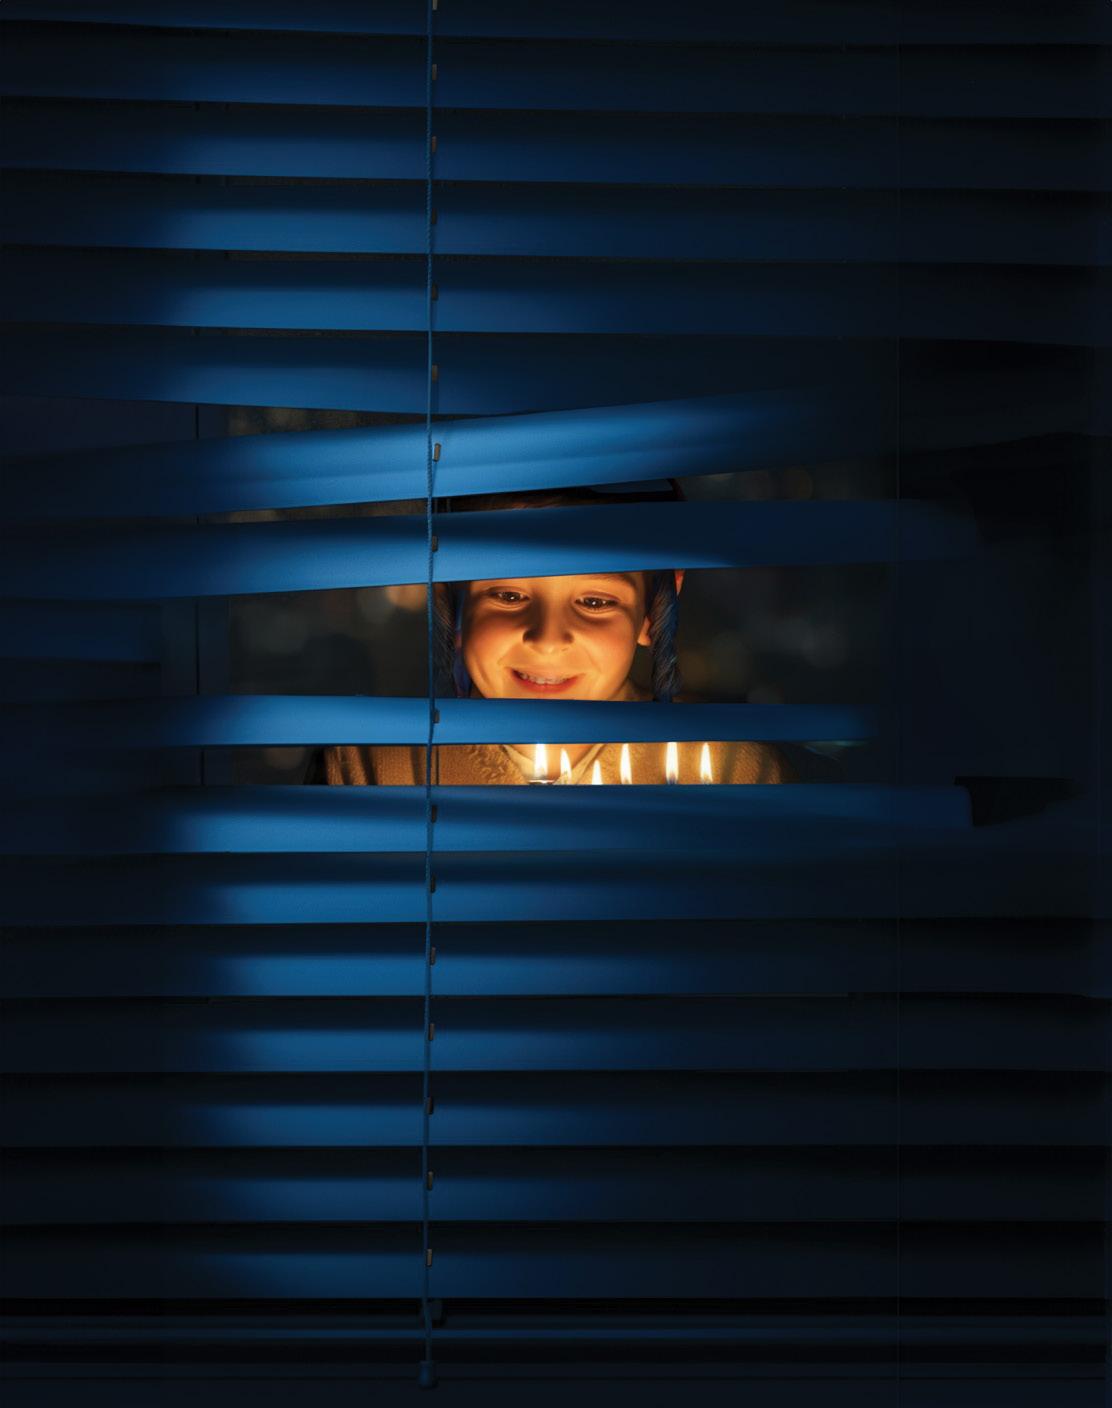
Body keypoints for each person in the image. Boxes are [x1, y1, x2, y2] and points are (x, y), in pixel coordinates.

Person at [304, 481, 794, 786]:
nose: (547, 639)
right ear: (452, 602)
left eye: (595, 602)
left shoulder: (729, 770)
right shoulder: (370, 772)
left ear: (654, 610)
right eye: (508, 595)